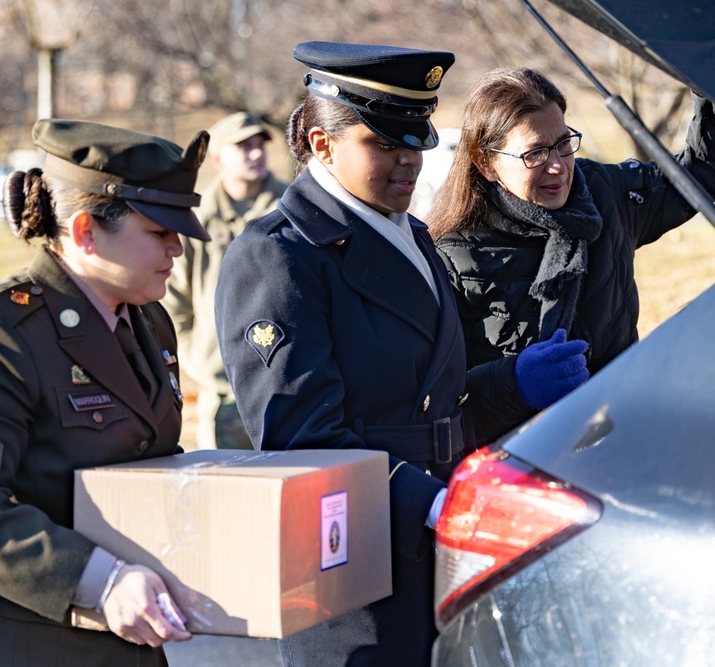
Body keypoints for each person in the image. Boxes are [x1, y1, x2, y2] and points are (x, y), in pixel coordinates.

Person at [215, 42, 589, 667]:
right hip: (359, 580)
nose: (408, 161)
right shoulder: (278, 255)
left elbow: (432, 400)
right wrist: (437, 505)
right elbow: (303, 441)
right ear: (320, 143)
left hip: (439, 557)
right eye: (383, 143)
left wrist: (509, 385)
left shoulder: (409, 234)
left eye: (415, 141)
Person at [0, 119, 211, 666]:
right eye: (158, 231)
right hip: (2, 642)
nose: (177, 248)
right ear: (85, 231)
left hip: (117, 637)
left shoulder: (149, 321)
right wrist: (102, 581)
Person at [428, 67, 715, 375]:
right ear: (485, 163)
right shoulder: (453, 258)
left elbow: (710, 168)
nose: (557, 166)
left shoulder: (604, 193)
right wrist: (515, 384)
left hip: (623, 419)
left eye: (563, 144)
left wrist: (707, 73)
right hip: (532, 434)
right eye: (535, 153)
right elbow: (447, 395)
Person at [162, 111, 289, 450]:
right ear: (218, 158)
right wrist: (198, 358)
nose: (256, 152)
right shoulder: (196, 218)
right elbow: (172, 300)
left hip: (289, 384)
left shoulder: (294, 208)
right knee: (228, 490)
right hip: (222, 390)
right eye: (243, 146)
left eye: (260, 144)